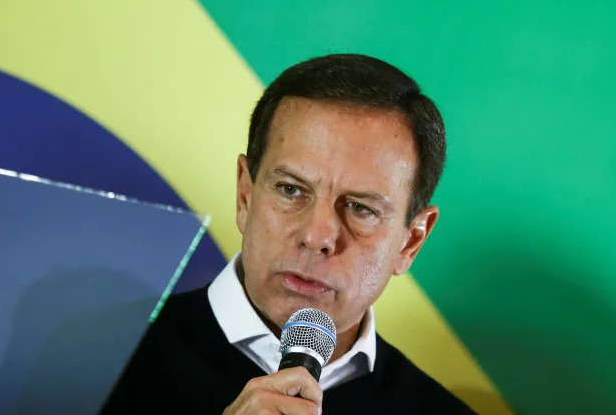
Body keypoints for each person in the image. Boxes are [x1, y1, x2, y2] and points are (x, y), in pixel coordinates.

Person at [102, 54, 475, 414]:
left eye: (361, 208)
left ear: (410, 242)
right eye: (291, 190)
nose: (316, 236)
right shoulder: (93, 354)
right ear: (245, 195)